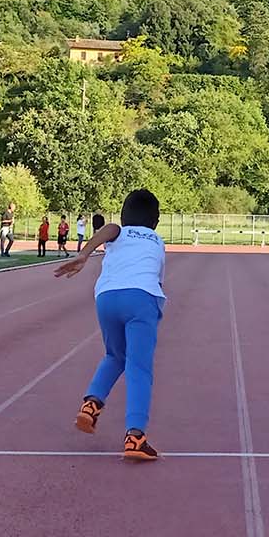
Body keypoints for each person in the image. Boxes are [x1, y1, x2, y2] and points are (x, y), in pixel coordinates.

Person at [60, 189, 169, 461]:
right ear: (155, 221)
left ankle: (92, 403)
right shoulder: (157, 240)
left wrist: (84, 255)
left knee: (114, 356)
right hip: (141, 297)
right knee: (139, 367)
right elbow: (157, 280)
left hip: (106, 297)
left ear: (124, 216)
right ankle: (135, 436)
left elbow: (110, 228)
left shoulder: (118, 232)